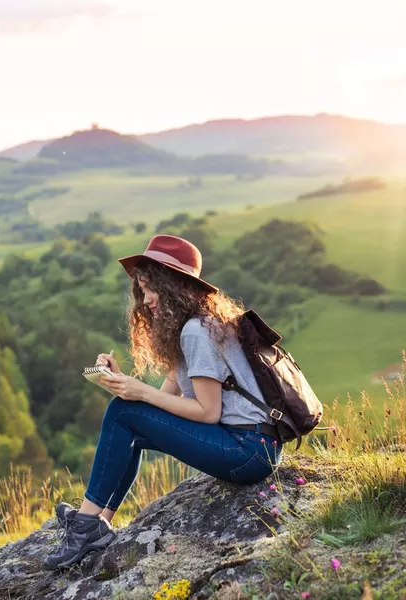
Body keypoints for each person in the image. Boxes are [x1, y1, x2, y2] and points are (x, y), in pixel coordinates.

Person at [43, 234, 282, 570]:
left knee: (126, 414)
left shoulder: (197, 333)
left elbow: (208, 412)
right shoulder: (190, 327)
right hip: (247, 443)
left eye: (152, 288)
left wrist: (138, 396)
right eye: (142, 289)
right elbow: (160, 402)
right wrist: (123, 383)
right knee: (128, 422)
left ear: (174, 287)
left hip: (248, 449)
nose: (146, 299)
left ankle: (86, 525)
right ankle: (99, 521)